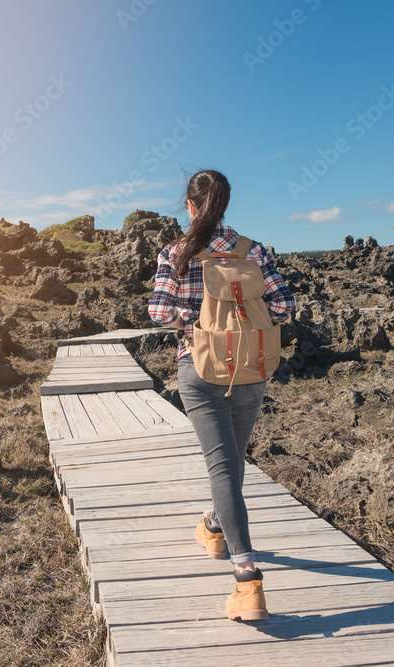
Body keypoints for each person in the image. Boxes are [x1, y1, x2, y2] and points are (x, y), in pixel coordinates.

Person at [148, 169, 294, 621]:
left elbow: (158, 313)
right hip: (251, 368)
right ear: (224, 204)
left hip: (200, 366)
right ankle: (213, 526)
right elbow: (285, 307)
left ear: (191, 205)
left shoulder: (177, 253)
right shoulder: (253, 251)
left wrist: (194, 325)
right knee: (232, 461)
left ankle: (247, 580)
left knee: (223, 464)